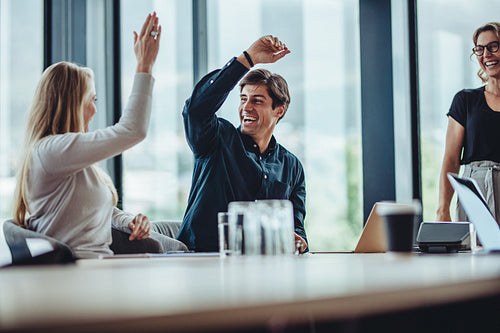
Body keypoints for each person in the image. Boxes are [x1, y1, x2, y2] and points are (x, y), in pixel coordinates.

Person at [12, 13, 186, 259]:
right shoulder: (51, 151)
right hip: (80, 275)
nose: (95, 109)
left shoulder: (68, 157)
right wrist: (144, 66)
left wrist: (129, 221)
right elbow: (133, 130)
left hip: (100, 267)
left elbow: (95, 210)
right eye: (91, 100)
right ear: (71, 104)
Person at [177, 35, 308, 253]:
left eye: (257, 101)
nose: (246, 107)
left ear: (279, 110)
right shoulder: (216, 140)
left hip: (262, 270)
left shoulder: (292, 167)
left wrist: (299, 242)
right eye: (243, 99)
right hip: (201, 262)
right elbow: (196, 109)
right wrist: (247, 60)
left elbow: (296, 229)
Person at [437, 22, 500, 225]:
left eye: (493, 46)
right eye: (480, 49)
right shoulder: (465, 100)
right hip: (475, 191)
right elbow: (451, 158)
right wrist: (442, 210)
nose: (486, 55)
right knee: (472, 254)